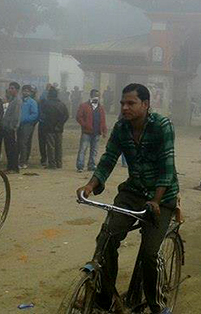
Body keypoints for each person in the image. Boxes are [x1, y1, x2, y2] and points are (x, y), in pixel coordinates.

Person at [76, 83, 178, 314]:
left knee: (151, 254)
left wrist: (155, 199)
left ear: (146, 104)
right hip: (132, 193)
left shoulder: (162, 126)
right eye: (123, 103)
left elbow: (167, 168)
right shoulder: (121, 127)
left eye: (130, 103)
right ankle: (105, 298)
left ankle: (158, 306)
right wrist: (90, 186)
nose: (124, 107)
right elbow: (109, 158)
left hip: (162, 198)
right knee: (106, 239)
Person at [75, 89, 107, 172]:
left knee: (94, 150)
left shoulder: (101, 107)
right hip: (86, 132)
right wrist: (85, 125)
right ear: (91, 95)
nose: (96, 97)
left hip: (97, 132)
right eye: (95, 95)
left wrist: (104, 131)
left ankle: (91, 165)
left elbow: (103, 120)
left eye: (98, 95)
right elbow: (79, 117)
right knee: (83, 149)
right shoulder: (84, 105)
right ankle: (80, 166)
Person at [40, 87, 69, 169]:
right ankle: (59, 163)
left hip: (49, 128)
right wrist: (60, 125)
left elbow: (43, 115)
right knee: (59, 146)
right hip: (59, 129)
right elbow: (66, 116)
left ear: (49, 95)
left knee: (50, 147)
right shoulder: (62, 104)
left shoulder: (46, 104)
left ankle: (52, 164)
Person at [0, 82, 22, 173]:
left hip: (11, 128)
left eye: (12, 88)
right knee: (8, 148)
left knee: (12, 149)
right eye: (10, 88)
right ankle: (10, 167)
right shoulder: (12, 99)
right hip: (7, 127)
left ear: (16, 90)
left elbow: (16, 116)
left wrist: (13, 127)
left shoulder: (17, 100)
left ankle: (13, 168)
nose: (10, 90)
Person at [18, 85, 38, 169]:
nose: (25, 92)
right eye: (24, 91)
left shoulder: (32, 102)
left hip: (27, 125)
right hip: (18, 125)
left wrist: (23, 119)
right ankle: (20, 160)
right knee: (19, 143)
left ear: (30, 92)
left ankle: (23, 161)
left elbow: (35, 114)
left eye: (27, 91)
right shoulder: (19, 101)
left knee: (24, 143)